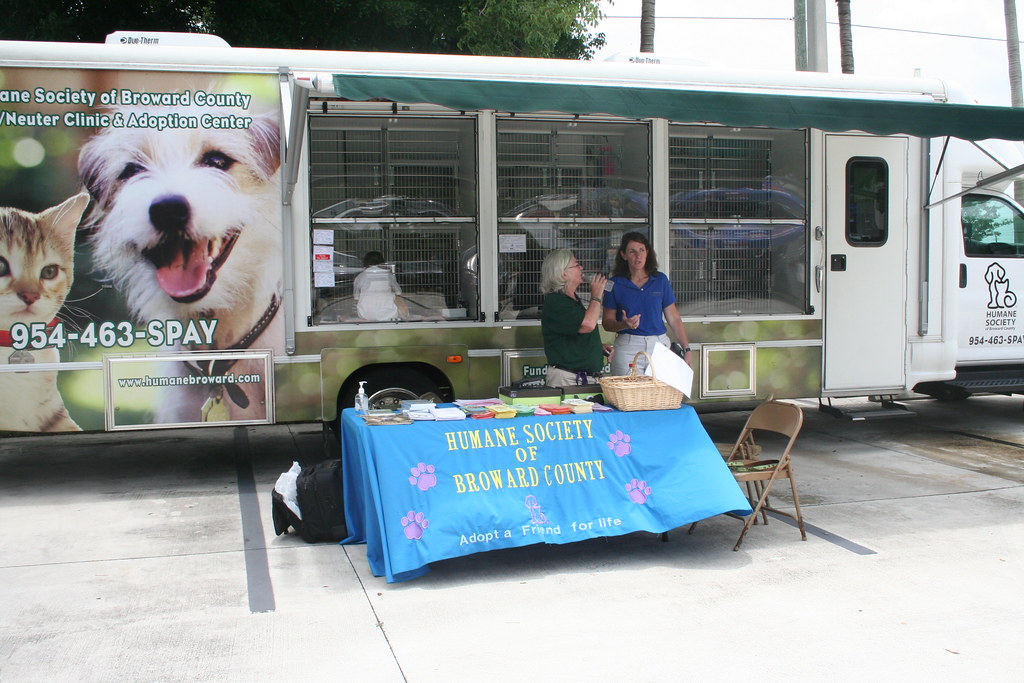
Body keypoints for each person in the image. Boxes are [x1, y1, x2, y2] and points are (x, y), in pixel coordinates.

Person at [602, 231, 691, 376]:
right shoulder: (614, 283)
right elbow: (607, 322)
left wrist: (686, 349)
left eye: (641, 250)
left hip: (658, 344)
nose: (638, 256)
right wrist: (624, 324)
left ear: (647, 252)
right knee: (627, 394)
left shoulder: (660, 280)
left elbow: (674, 318)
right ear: (623, 255)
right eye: (632, 251)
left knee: (658, 394)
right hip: (628, 345)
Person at [539, 249, 610, 388]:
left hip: (583, 378)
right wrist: (596, 296)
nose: (581, 268)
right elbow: (588, 325)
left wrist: (596, 348)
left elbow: (571, 336)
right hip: (569, 379)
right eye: (576, 265)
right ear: (563, 273)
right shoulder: (556, 301)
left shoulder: (571, 300)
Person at [353, 251, 406, 321]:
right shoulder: (388, 275)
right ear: (382, 262)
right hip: (389, 314)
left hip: (365, 314)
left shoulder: (360, 276)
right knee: (397, 297)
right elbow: (398, 292)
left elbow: (356, 297)